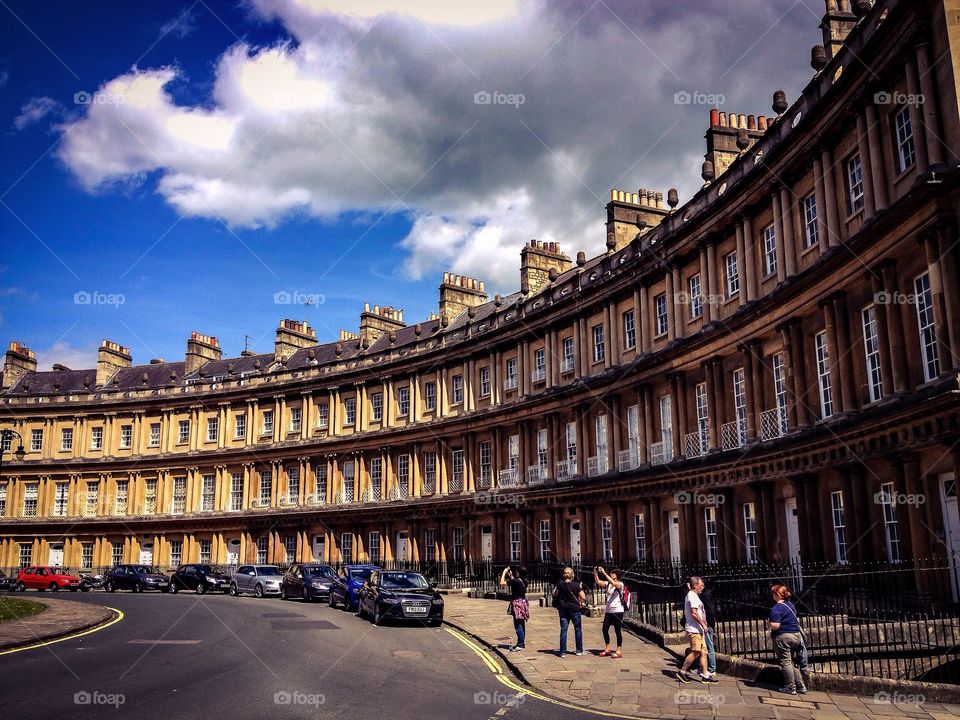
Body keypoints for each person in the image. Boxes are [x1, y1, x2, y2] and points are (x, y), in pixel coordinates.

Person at [675, 576, 718, 684]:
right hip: (694, 629)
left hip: (698, 629)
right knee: (696, 652)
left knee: (704, 652)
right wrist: (703, 624)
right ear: (695, 585)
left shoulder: (695, 595)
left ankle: (705, 675)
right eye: (700, 585)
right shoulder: (692, 596)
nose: (702, 587)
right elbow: (694, 613)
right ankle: (682, 672)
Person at [768, 584, 807, 695]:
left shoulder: (776, 608)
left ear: (777, 595)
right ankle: (801, 685)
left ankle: (791, 687)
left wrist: (769, 623)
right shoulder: (790, 605)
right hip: (796, 636)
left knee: (785, 662)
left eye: (773, 593)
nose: (772, 595)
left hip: (783, 637)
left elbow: (776, 626)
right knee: (790, 662)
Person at [552, 566, 586, 657]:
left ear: (564, 575)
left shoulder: (559, 583)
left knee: (564, 630)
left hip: (563, 609)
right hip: (575, 609)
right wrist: (580, 590)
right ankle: (579, 650)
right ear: (572, 575)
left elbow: (555, 594)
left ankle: (563, 652)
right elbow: (583, 597)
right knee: (578, 630)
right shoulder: (576, 585)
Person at [593, 566, 625, 658]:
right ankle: (607, 648)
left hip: (618, 610)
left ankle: (618, 650)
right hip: (609, 611)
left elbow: (615, 584)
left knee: (617, 631)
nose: (611, 574)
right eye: (611, 573)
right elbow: (598, 581)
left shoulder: (620, 584)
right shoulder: (608, 584)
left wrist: (604, 573)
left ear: (617, 575)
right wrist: (595, 573)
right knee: (604, 629)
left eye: (613, 573)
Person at [500, 565, 528, 652]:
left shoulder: (516, 581)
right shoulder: (525, 581)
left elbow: (502, 583)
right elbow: (515, 582)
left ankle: (520, 644)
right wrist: (511, 575)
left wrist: (504, 572)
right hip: (523, 603)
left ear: (518, 572)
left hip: (517, 604)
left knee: (518, 624)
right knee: (521, 623)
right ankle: (521, 642)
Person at [699, 581, 718, 677]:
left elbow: (711, 610)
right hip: (707, 623)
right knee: (705, 646)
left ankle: (711, 668)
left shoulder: (705, 594)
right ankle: (705, 667)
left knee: (709, 646)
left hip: (708, 624)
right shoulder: (705, 593)